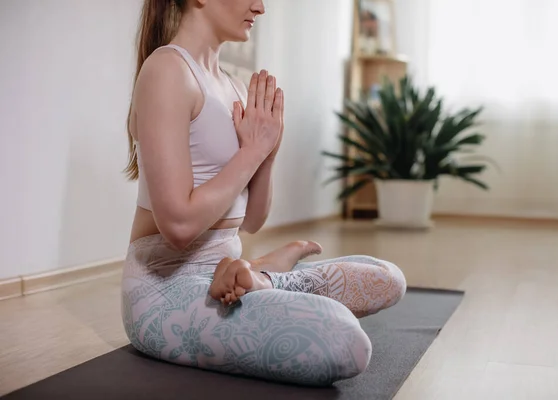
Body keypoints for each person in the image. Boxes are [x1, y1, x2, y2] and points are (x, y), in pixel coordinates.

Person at [121, 0, 407, 387]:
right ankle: (259, 278)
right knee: (345, 343)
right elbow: (178, 225)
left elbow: (253, 219)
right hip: (165, 291)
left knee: (387, 279)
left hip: (224, 268)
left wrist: (268, 153)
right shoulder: (166, 71)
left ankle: (257, 279)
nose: (260, 7)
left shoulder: (232, 84)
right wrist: (253, 150)